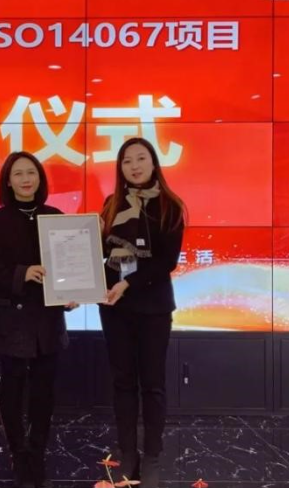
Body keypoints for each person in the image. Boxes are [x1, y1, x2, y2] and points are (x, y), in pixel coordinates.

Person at [0, 151, 75, 488]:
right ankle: (18, 453)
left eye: (31, 172)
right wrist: (22, 273)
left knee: (44, 391)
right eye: (17, 173)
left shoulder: (55, 217)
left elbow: (69, 265)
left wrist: (72, 291)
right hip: (10, 318)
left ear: (40, 178)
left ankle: (37, 451)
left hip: (47, 317)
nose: (25, 179)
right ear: (8, 181)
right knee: (13, 388)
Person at [99, 137, 186, 488]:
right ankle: (127, 453)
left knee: (152, 384)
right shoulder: (111, 205)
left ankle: (151, 454)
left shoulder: (170, 206)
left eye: (140, 159)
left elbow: (166, 261)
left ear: (153, 163)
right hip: (115, 307)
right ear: (120, 168)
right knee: (122, 382)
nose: (134, 166)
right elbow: (102, 255)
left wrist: (129, 283)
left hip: (153, 308)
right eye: (127, 161)